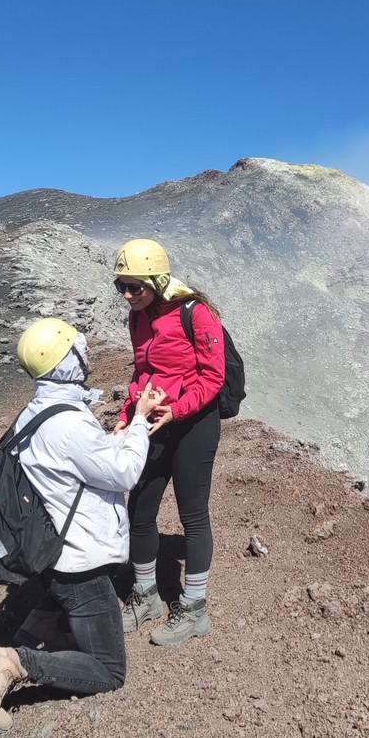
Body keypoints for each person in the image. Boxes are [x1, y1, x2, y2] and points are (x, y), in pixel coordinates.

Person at [0, 317, 164, 733]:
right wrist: (142, 421)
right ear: (67, 362)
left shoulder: (39, 411)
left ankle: (38, 625)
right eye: (80, 349)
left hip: (54, 552)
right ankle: (13, 662)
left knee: (68, 605)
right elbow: (124, 473)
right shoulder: (69, 421)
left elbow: (76, 468)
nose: (87, 353)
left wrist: (116, 437)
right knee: (108, 669)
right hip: (80, 565)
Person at [113, 238, 225, 646]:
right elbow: (143, 372)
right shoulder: (138, 317)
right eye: (121, 286)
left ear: (157, 281)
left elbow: (214, 377)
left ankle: (194, 609)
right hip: (154, 420)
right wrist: (128, 417)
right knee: (139, 508)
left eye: (135, 287)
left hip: (194, 424)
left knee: (192, 515)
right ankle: (145, 597)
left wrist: (177, 410)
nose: (127, 295)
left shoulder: (196, 313)